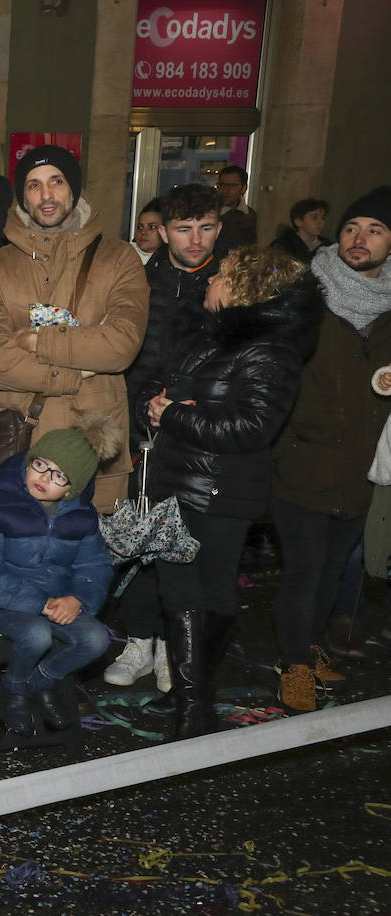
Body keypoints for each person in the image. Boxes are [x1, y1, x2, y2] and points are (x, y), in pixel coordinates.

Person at [138, 245, 320, 735]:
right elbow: (173, 387)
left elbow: (252, 426)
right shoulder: (212, 338)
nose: (212, 279)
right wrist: (158, 404)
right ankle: (192, 692)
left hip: (216, 491)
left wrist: (174, 413)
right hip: (184, 482)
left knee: (189, 592)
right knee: (203, 592)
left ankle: (192, 708)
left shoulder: (269, 351)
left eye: (223, 275)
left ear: (247, 288)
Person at [269, 186, 391, 711]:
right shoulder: (302, 292)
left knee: (334, 568)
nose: (358, 239)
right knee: (303, 568)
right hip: (302, 459)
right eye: (350, 228)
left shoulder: (389, 310)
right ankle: (293, 665)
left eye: (375, 230)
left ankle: (311, 646)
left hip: (361, 466)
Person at [0, 144, 149, 513]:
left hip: (94, 450)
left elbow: (122, 344)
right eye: (33, 185)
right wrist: (79, 368)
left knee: (90, 564)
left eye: (56, 181)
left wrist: (36, 339)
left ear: (73, 188)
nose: (46, 196)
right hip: (22, 448)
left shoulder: (119, 259)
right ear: (22, 197)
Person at [107, 184, 223, 690]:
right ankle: (138, 640)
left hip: (200, 437)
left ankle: (174, 648)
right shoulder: (141, 278)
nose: (195, 240)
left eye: (206, 228)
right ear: (162, 231)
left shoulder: (230, 283)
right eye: (183, 229)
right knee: (139, 534)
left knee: (185, 545)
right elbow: (130, 359)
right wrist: (140, 414)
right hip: (144, 430)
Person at [0, 418, 119, 734]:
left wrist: (78, 598)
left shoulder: (82, 516)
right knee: (36, 634)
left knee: (97, 638)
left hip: (52, 600)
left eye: (58, 475)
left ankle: (41, 681)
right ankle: (13, 689)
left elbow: (95, 566)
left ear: (72, 487)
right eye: (40, 464)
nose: (44, 478)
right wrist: (40, 603)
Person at [270, 198, 332, 264]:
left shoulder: (327, 247)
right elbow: (273, 270)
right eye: (314, 217)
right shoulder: (282, 245)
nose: (321, 222)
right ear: (298, 222)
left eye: (323, 218)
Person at [216, 165, 257, 247]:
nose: (225, 190)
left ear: (244, 188)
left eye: (232, 186)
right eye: (222, 185)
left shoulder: (250, 215)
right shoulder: (209, 212)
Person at [131, 198, 163, 263]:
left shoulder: (174, 261)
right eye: (140, 227)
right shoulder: (122, 255)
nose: (143, 232)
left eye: (152, 227)